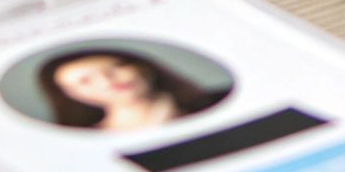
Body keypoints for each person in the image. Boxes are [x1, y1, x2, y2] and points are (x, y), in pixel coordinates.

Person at [37, 50, 223, 130]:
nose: (106, 80)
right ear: (72, 95)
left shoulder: (219, 103)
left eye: (116, 67)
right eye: (85, 81)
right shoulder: (82, 140)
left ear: (142, 66)